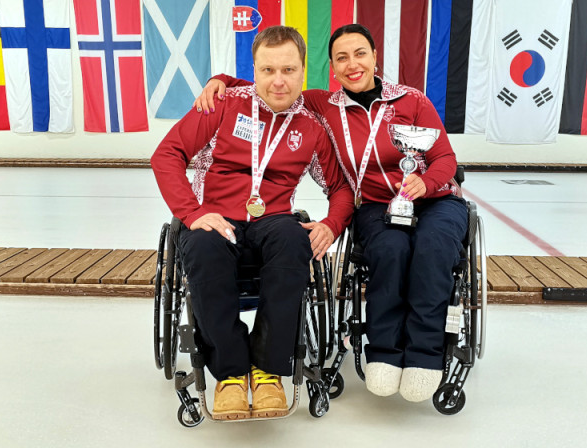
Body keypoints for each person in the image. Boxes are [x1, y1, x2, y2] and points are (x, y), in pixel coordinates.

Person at [195, 24, 467, 403]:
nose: (352, 64)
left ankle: (424, 355)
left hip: (436, 199)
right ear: (332, 68)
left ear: (375, 58)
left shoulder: (412, 100)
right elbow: (274, 83)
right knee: (390, 252)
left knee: (433, 248)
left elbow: (444, 157)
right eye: (342, 58)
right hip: (375, 206)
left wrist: (426, 183)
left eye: (360, 54)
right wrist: (220, 80)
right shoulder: (322, 104)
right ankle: (386, 354)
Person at [151, 26, 353, 420]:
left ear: (303, 71)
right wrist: (192, 212)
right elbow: (168, 154)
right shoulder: (224, 104)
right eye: (268, 70)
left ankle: (266, 371)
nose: (278, 81)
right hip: (216, 214)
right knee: (205, 245)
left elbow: (341, 187)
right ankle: (230, 373)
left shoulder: (311, 127)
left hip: (271, 218)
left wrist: (332, 222)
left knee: (295, 242)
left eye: (289, 70)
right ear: (255, 71)